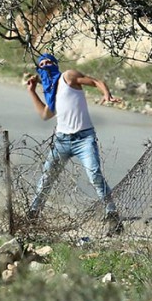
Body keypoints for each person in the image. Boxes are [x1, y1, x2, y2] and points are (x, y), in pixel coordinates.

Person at [24, 53, 124, 235]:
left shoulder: (67, 77)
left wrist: (106, 94)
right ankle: (33, 214)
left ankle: (112, 215)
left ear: (55, 64)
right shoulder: (51, 90)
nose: (45, 65)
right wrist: (32, 91)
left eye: (49, 62)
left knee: (94, 175)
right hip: (62, 140)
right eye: (42, 64)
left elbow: (95, 81)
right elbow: (46, 115)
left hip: (83, 139)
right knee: (47, 177)